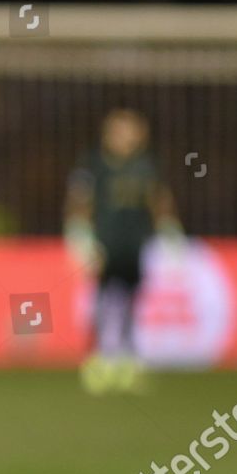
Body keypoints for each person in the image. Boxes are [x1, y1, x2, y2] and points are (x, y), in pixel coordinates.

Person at [64, 108, 183, 395]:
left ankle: (129, 359)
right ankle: (99, 358)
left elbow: (159, 199)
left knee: (132, 299)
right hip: (105, 244)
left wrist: (169, 228)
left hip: (135, 242)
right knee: (103, 299)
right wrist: (79, 232)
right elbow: (79, 199)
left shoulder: (146, 166)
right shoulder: (93, 163)